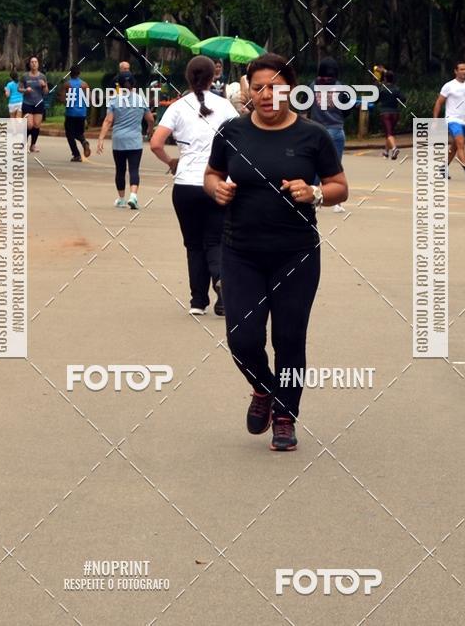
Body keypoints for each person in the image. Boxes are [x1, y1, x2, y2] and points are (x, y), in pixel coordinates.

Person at [204, 53, 348, 451]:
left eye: (276, 87)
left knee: (289, 338)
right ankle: (263, 389)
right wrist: (216, 189)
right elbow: (212, 174)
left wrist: (314, 192)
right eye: (259, 87)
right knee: (242, 338)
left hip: (295, 254)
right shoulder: (232, 132)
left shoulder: (312, 135)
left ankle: (285, 416)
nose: (267, 95)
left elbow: (340, 186)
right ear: (248, 90)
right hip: (241, 252)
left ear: (291, 90)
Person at [150, 56, 238, 316]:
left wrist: (171, 161)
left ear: (188, 78)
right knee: (215, 239)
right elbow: (240, 140)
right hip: (217, 182)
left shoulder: (177, 107)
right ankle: (222, 285)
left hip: (185, 185)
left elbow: (156, 142)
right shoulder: (225, 107)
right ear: (214, 78)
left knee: (193, 243)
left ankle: (198, 301)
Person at [97, 72, 154, 209]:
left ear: (119, 85)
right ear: (134, 84)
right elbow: (150, 119)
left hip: (119, 140)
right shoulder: (141, 100)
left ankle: (121, 199)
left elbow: (108, 120)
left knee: (120, 170)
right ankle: (133, 196)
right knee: (134, 169)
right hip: (135, 140)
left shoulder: (114, 100)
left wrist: (101, 138)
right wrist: (150, 130)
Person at [310, 56, 348, 212]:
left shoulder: (312, 86)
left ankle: (313, 198)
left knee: (314, 166)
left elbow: (304, 106)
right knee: (335, 167)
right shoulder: (341, 88)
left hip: (316, 129)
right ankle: (336, 203)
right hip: (335, 129)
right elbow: (347, 109)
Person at [432, 62, 465, 180]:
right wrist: (435, 120)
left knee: (455, 147)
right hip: (452, 119)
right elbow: (439, 102)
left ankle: (443, 167)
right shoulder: (449, 86)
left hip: (464, 121)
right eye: (461, 69)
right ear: (455, 71)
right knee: (461, 144)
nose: (464, 71)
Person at [60, 64, 91, 162]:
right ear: (79, 73)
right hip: (82, 113)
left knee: (70, 134)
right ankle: (84, 142)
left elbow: (62, 99)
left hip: (71, 113)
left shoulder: (67, 85)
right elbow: (89, 99)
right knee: (79, 133)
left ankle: (76, 154)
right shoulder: (84, 85)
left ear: (70, 73)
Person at [19, 56, 48, 152]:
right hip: (27, 103)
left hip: (39, 103)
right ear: (29, 64)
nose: (34, 63)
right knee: (29, 125)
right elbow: (19, 89)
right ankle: (24, 144)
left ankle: (33, 145)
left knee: (36, 125)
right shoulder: (25, 76)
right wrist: (25, 90)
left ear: (38, 64)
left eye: (36, 62)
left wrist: (43, 86)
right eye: (32, 62)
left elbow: (46, 92)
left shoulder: (42, 76)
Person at [378, 70, 405, 159]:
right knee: (390, 133)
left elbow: (376, 100)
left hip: (385, 113)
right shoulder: (397, 89)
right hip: (395, 113)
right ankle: (386, 152)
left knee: (389, 133)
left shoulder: (382, 89)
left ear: (385, 78)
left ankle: (394, 148)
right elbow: (403, 99)